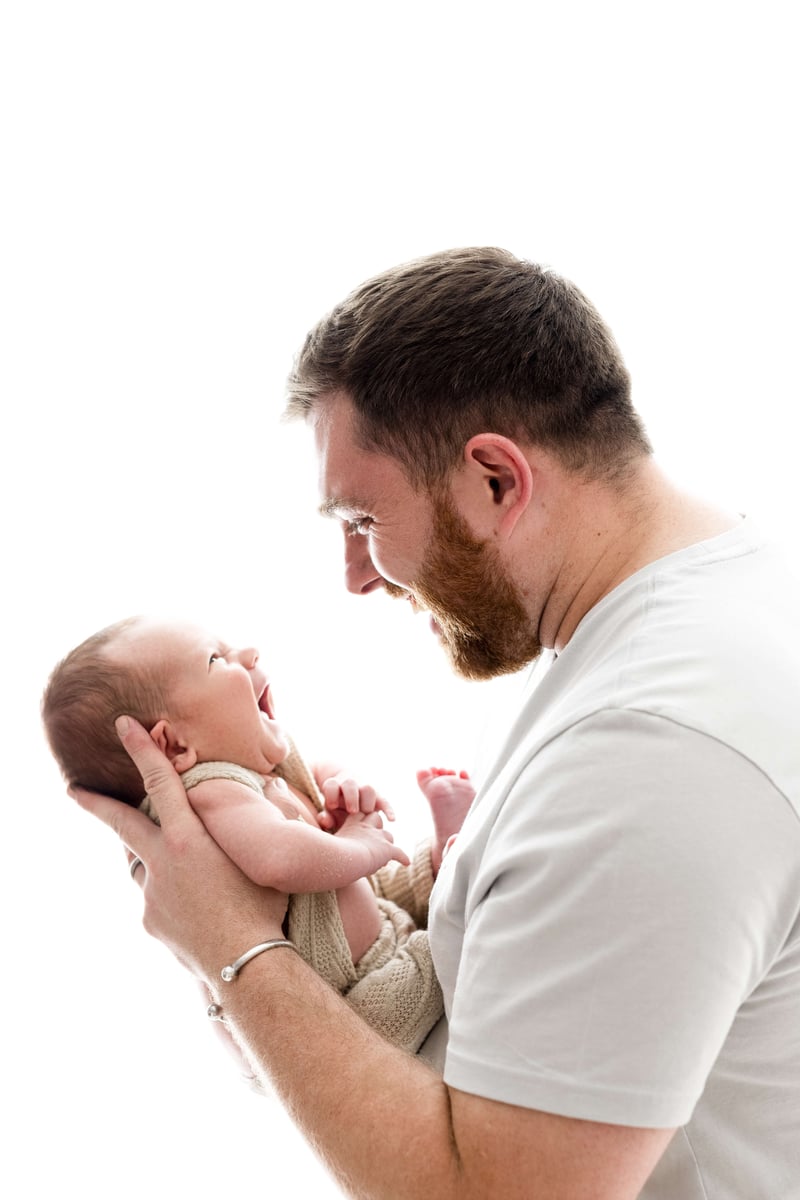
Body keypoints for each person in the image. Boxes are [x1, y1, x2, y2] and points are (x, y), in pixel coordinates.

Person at [73, 248, 800, 1199]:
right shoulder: (723, 596)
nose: (356, 574)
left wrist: (231, 946)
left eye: (363, 518)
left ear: (496, 479)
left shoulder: (649, 750)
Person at [44, 614, 474, 1053]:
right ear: (174, 746)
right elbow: (278, 859)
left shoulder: (250, 760)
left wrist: (340, 781)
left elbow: (312, 771)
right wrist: (358, 846)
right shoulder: (210, 791)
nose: (248, 654)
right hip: (361, 993)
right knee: (444, 954)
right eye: (216, 659)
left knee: (395, 886)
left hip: (373, 914)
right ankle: (451, 890)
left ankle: (441, 860)